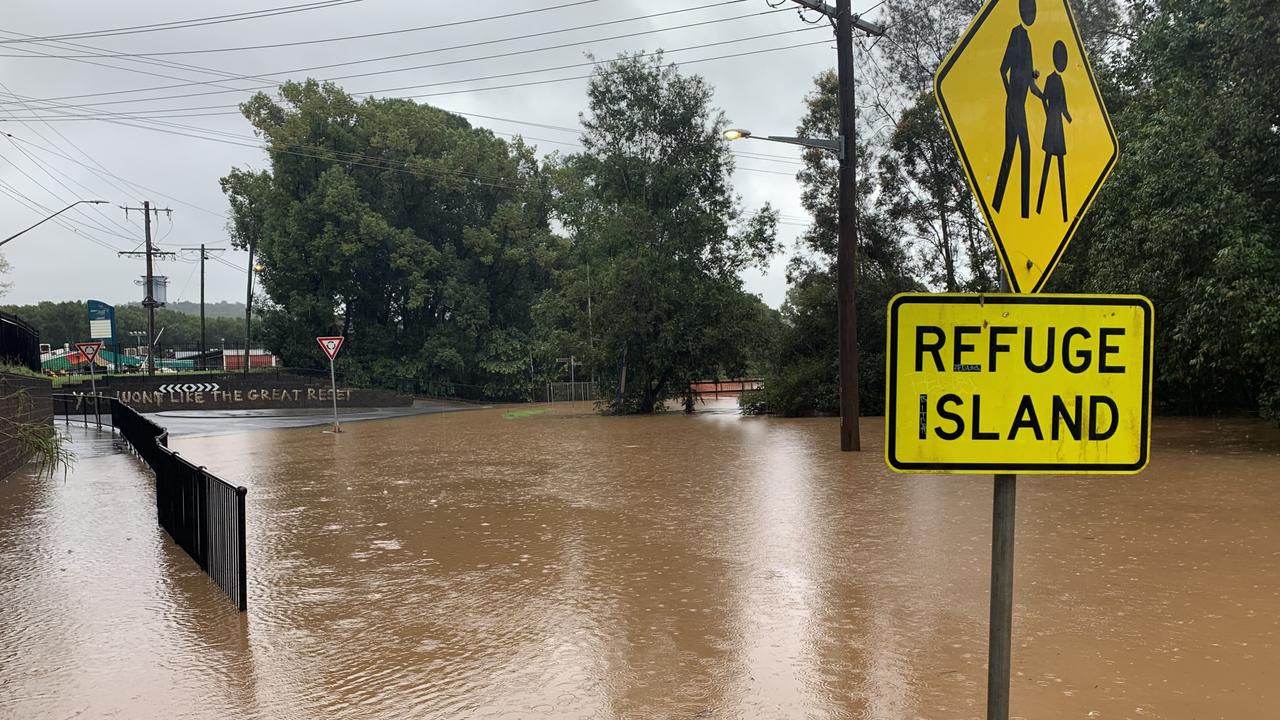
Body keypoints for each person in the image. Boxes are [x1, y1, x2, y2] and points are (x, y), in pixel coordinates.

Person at [991, 0, 1043, 219]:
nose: (1031, 14)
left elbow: (1030, 84)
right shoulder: (1016, 34)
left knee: (1015, 153)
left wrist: (1043, 97)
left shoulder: (1028, 41)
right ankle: (1004, 207)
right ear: (1022, 11)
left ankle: (1011, 207)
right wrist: (1010, 94)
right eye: (1028, 10)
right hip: (1014, 105)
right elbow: (1003, 69)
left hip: (1019, 105)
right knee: (1019, 152)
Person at [1036, 40, 1073, 222]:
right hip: (1051, 124)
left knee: (1060, 166)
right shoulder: (1051, 79)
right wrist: (1047, 114)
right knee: (1047, 163)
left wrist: (1070, 119)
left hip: (1059, 124)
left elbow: (1064, 105)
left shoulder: (1060, 80)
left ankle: (1065, 213)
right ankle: (1038, 207)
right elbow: (1044, 97)